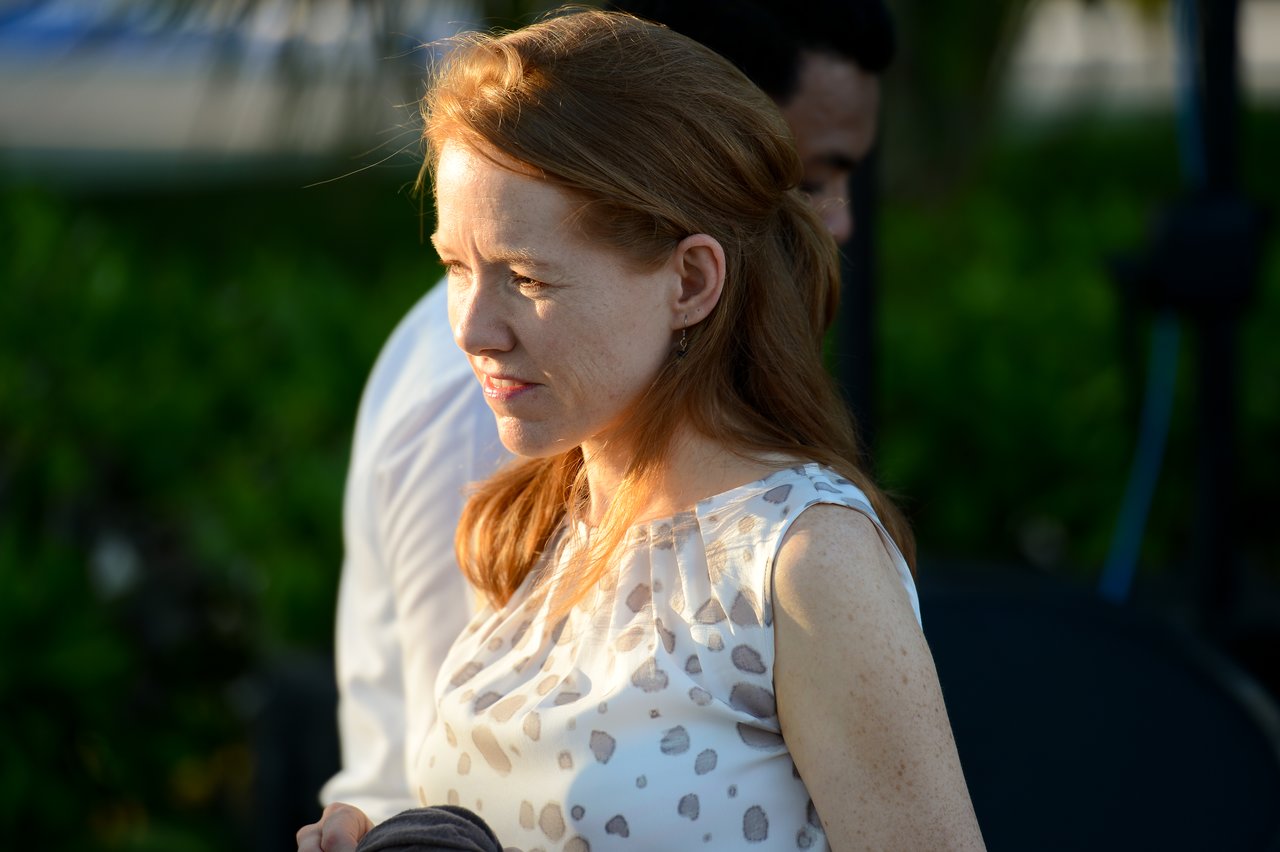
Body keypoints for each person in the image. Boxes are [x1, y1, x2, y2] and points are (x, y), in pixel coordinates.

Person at [300, 8, 984, 851]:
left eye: (525, 277)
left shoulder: (807, 563)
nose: (472, 330)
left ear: (691, 280)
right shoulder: (529, 524)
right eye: (455, 267)